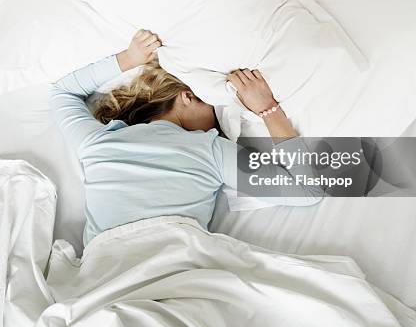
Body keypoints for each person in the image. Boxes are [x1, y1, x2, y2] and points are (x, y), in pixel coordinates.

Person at [50, 29, 323, 245]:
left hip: (105, 268)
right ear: (187, 96)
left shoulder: (97, 143)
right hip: (172, 261)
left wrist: (128, 59)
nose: (218, 127)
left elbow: (63, 92)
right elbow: (307, 191)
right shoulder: (211, 149)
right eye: (215, 114)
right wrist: (268, 109)